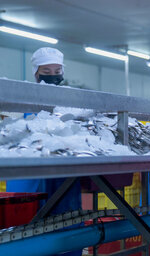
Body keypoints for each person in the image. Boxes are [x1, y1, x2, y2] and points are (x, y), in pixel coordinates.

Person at [7, 47, 81, 256]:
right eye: (46, 72)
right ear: (36, 73)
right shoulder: (21, 96)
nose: (52, 76)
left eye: (57, 71)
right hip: (29, 171)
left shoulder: (71, 100)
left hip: (62, 169)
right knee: (28, 225)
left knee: (66, 220)